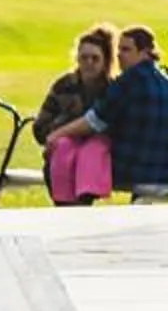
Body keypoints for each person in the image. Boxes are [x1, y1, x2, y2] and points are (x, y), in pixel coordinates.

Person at [44, 23, 168, 198]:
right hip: (165, 171)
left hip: (130, 169)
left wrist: (56, 134)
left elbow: (94, 121)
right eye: (118, 49)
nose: (119, 55)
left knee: (82, 156)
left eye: (126, 49)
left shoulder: (128, 82)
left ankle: (73, 209)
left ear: (144, 52)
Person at [34, 26, 118, 205]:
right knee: (64, 148)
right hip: (61, 152)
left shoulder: (113, 90)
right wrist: (63, 130)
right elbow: (40, 127)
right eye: (84, 58)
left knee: (93, 150)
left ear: (105, 61)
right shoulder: (63, 86)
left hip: (96, 157)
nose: (89, 63)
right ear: (77, 58)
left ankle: (84, 199)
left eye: (95, 58)